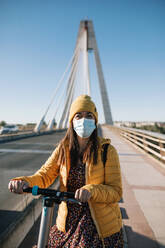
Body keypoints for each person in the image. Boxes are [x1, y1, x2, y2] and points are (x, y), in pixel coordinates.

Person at [8, 95, 124, 248]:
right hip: (67, 221)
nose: (84, 119)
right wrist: (24, 182)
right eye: (79, 116)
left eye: (89, 115)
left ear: (95, 120)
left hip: (97, 222)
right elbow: (44, 175)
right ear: (72, 121)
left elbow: (115, 191)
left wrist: (91, 191)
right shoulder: (63, 149)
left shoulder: (107, 151)